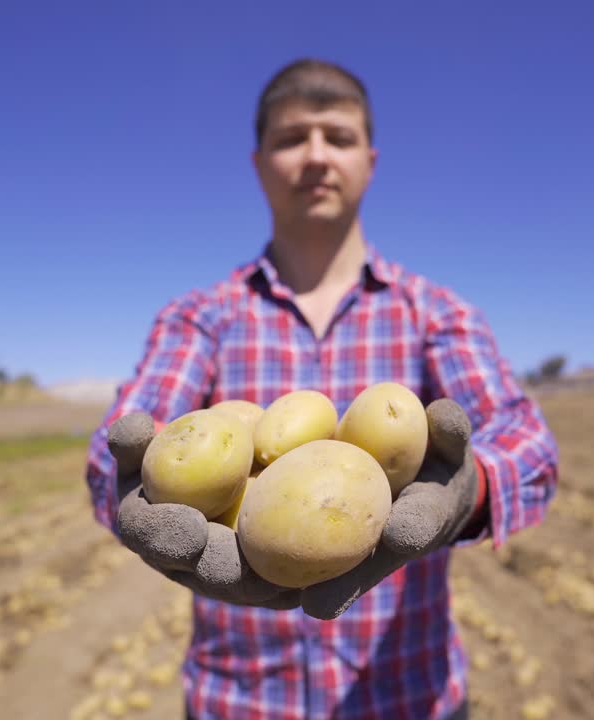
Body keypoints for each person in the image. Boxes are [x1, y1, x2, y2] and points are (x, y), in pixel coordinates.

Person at [84, 57, 559, 720]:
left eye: (337, 137)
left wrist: (470, 489)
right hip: (238, 703)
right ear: (258, 165)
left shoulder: (436, 313)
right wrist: (133, 481)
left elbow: (529, 443)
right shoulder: (200, 317)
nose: (315, 156)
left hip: (408, 698)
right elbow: (124, 445)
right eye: (291, 139)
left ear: (370, 160)